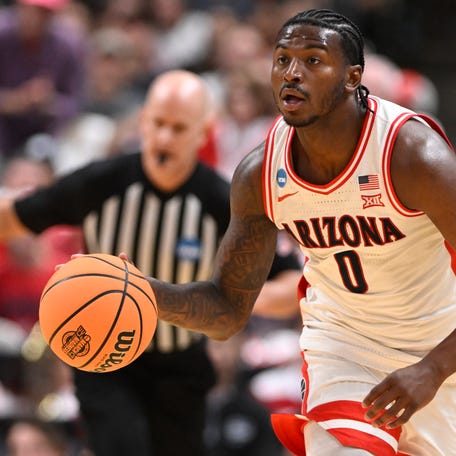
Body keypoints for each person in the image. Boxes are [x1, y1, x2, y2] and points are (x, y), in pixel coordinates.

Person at [71, 8, 454, 455]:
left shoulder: (413, 156)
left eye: (313, 61)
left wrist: (432, 368)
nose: (292, 73)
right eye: (282, 60)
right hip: (345, 344)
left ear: (352, 77)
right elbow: (227, 309)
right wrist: (140, 292)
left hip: (440, 343)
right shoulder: (260, 174)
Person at [0, 70, 301, 455]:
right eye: (158, 124)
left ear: (203, 132)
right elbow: (17, 215)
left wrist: (230, 299)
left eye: (178, 128)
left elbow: (292, 285)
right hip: (103, 355)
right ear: (142, 121)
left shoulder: (220, 202)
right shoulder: (101, 183)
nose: (164, 138)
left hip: (181, 361)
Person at [0, 0, 87, 159]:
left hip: (45, 133)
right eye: (33, 10)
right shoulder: (3, 35)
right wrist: (16, 100)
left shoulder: (67, 45)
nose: (37, 18)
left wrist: (50, 102)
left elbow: (75, 103)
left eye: (45, 12)